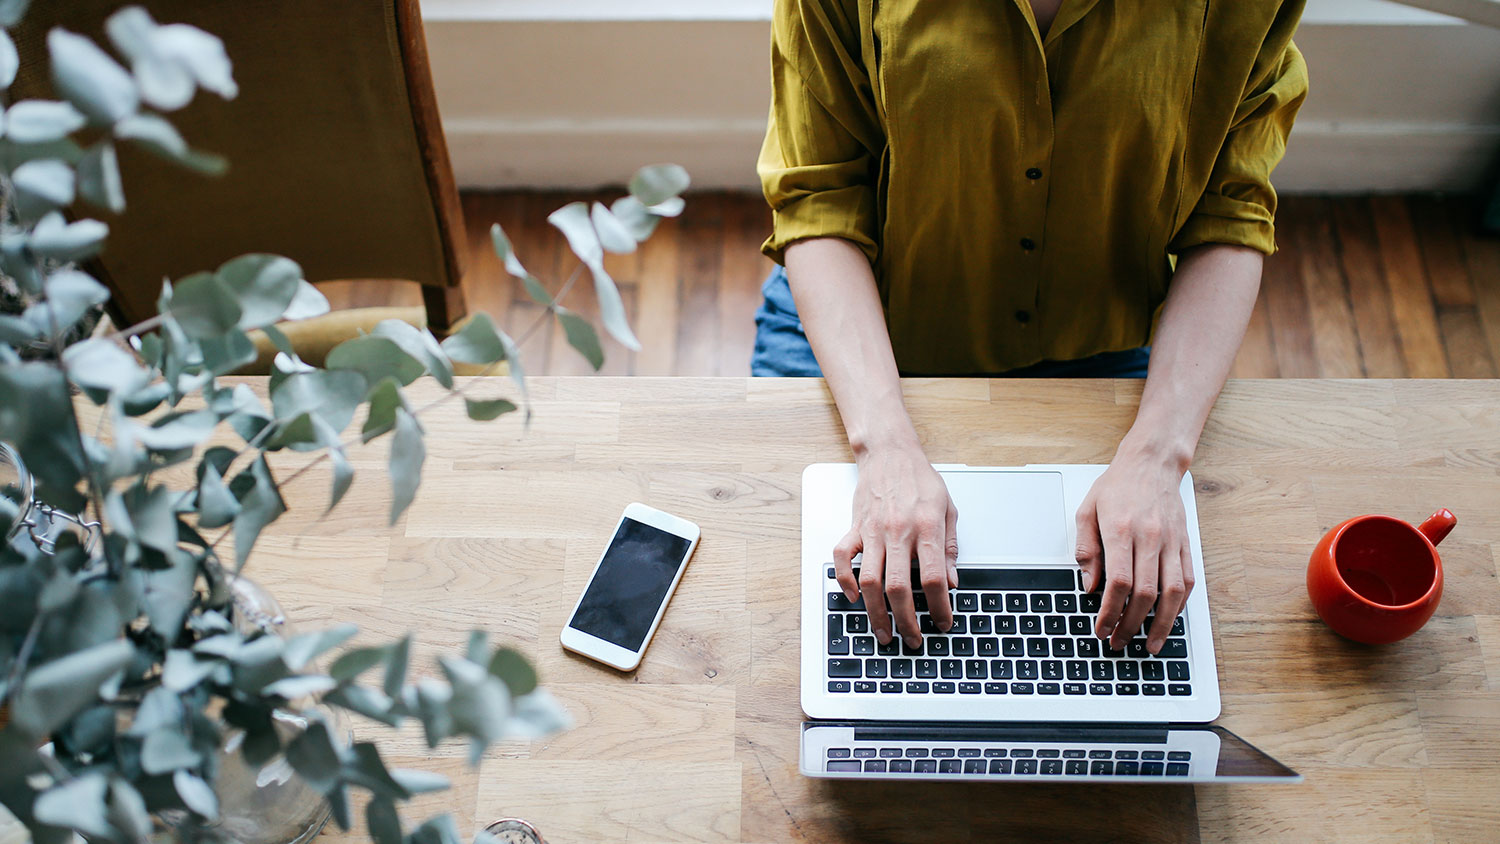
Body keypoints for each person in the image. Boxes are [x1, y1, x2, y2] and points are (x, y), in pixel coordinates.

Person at [753, 0, 1307, 655]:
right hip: (868, 329)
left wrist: (1160, 457)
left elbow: (1231, 210)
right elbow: (820, 196)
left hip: (1102, 344)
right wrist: (885, 450)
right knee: (785, 623)